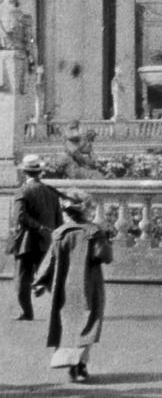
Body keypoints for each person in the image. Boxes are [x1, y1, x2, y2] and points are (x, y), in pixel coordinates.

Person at [33, 189, 113, 384]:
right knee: (88, 322)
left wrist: (39, 282)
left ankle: (71, 363)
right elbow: (105, 256)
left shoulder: (59, 233)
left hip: (65, 285)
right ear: (85, 209)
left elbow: (50, 261)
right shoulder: (94, 231)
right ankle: (80, 365)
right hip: (89, 284)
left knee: (69, 324)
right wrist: (107, 239)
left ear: (66, 212)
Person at [10, 154, 62, 321]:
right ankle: (61, 311)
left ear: (24, 172)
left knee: (23, 279)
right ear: (39, 172)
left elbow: (20, 216)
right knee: (51, 278)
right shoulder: (52, 193)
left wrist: (38, 227)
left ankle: (27, 312)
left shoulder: (23, 191)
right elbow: (59, 220)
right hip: (47, 241)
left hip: (26, 241)